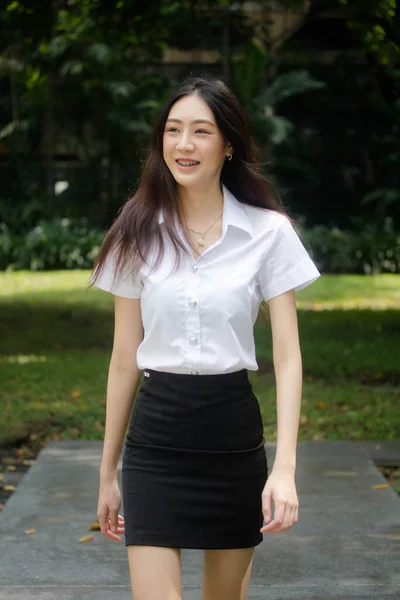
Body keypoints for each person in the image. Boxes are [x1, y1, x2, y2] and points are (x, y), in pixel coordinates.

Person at [89, 74, 321, 600]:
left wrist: (284, 469)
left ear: (229, 144)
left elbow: (287, 357)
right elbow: (124, 358)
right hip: (155, 443)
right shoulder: (136, 229)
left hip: (232, 441)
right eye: (173, 131)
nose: (184, 145)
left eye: (200, 131)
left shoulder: (268, 232)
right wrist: (108, 473)